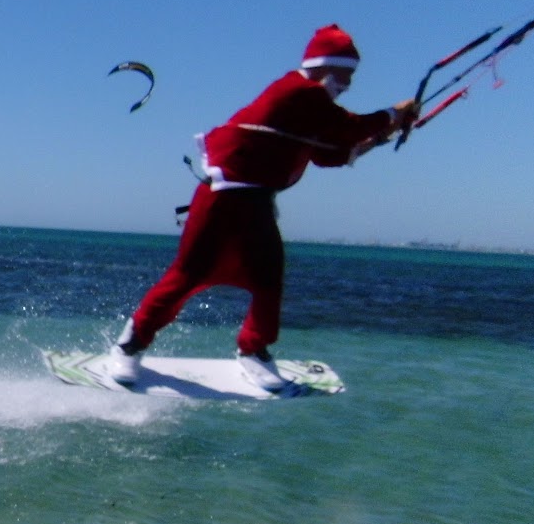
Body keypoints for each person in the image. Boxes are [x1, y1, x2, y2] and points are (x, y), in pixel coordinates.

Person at [107, 24, 419, 391]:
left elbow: (327, 154)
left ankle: (253, 352)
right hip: (222, 198)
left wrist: (382, 135)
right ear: (323, 67)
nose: (348, 85)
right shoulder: (297, 92)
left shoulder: (314, 109)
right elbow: (347, 127)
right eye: (345, 75)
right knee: (186, 276)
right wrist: (392, 114)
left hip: (256, 203)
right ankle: (130, 345)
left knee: (268, 280)